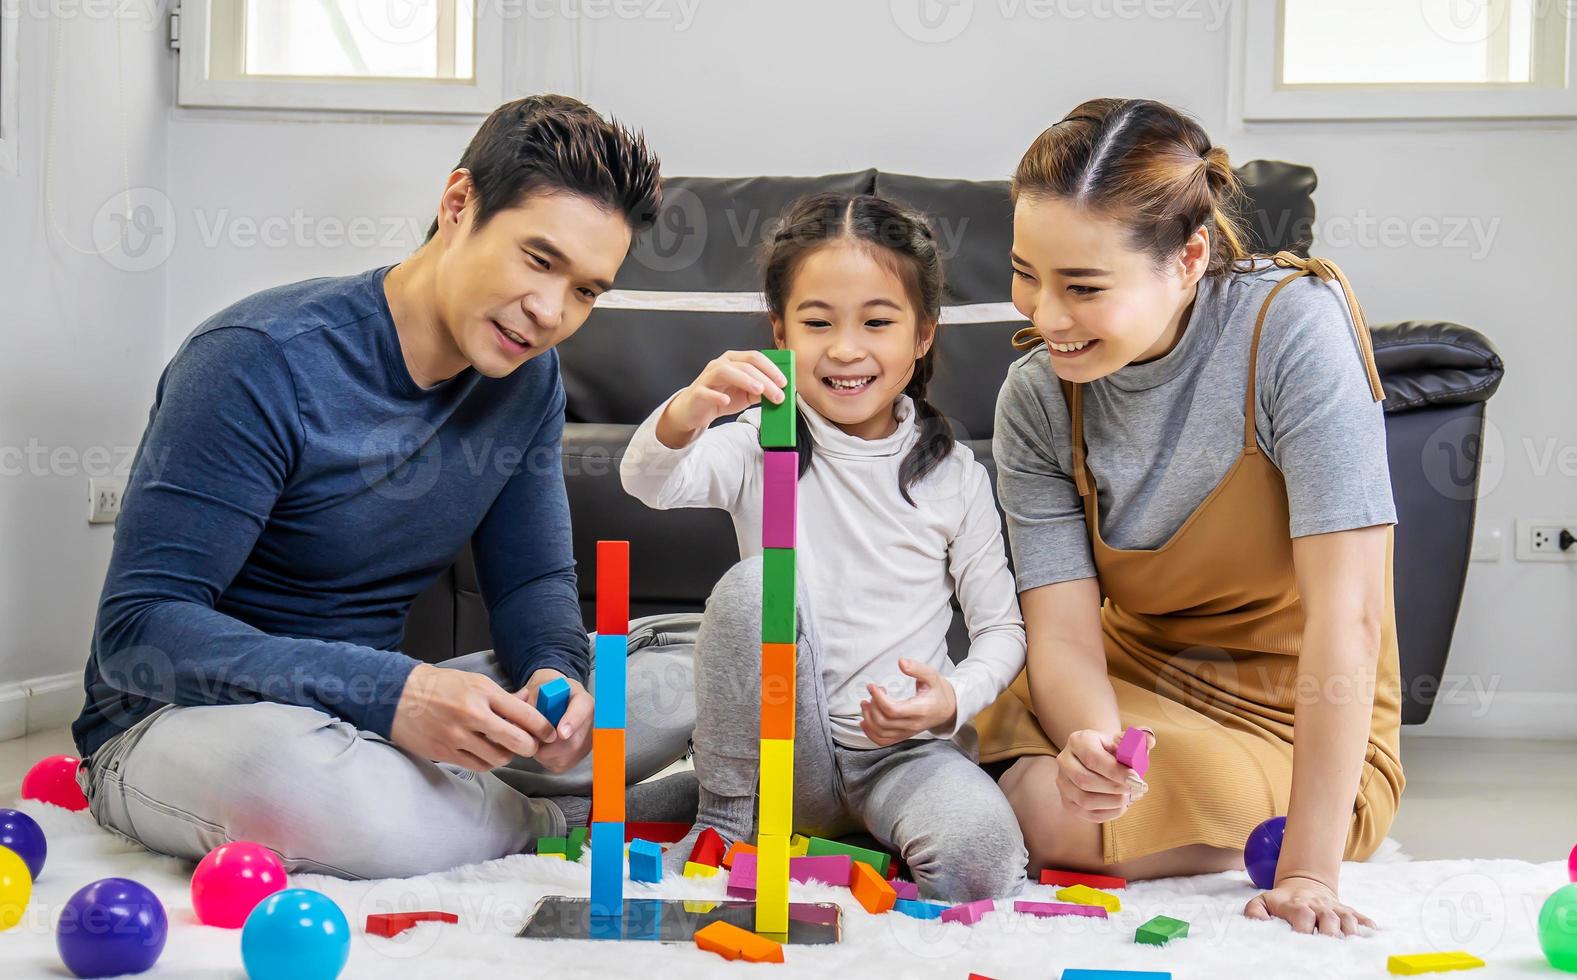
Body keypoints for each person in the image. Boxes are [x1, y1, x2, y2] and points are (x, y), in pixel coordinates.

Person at [72, 95, 696, 879]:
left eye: (585, 291)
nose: (549, 312)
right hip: (190, 723)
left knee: (693, 673)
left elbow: (532, 580)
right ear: (458, 204)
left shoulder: (527, 381)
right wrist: (391, 691)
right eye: (538, 260)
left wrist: (555, 679)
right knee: (303, 782)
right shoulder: (256, 360)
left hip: (374, 721)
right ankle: (550, 820)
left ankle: (454, 804)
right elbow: (139, 633)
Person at [974, 97, 1404, 935]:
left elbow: (1347, 618)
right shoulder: (1034, 398)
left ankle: (1282, 822)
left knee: (1040, 817)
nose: (1044, 316)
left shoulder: (1289, 332)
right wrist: (1097, 752)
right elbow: (1062, 635)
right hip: (1128, 678)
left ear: (1188, 257)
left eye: (1083, 287)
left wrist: (1309, 868)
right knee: (968, 766)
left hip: (1289, 706)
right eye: (1027, 273)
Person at [621, 193, 1028, 900]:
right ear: (780, 332)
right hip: (774, 758)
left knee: (982, 861)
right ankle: (725, 816)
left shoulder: (954, 476)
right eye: (816, 323)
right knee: (751, 587)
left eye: (877, 321)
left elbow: (999, 628)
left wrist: (951, 701)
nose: (845, 348)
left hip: (904, 756)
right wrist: (693, 407)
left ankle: (764, 819)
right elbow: (648, 481)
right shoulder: (757, 441)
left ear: (923, 333)